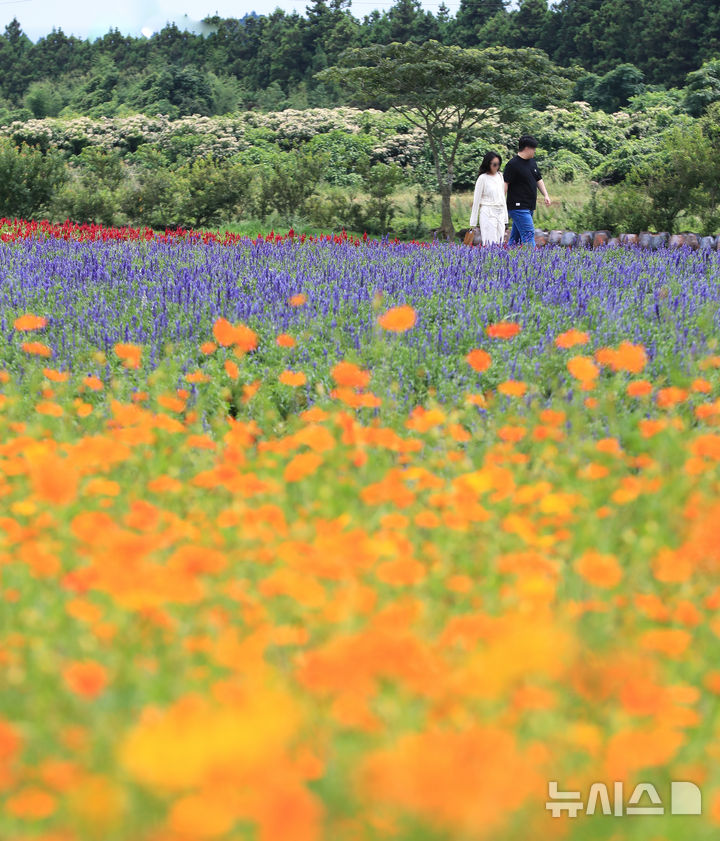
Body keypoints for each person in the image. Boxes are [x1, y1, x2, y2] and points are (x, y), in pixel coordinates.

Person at [503, 135, 551, 247]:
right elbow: (505, 184)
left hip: (529, 206)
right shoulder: (512, 164)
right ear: (527, 148)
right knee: (528, 233)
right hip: (517, 207)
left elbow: (538, 179)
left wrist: (546, 195)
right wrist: (501, 203)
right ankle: (533, 261)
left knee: (515, 238)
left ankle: (505, 259)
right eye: (533, 149)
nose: (534, 151)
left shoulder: (532, 162)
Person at [469, 151, 508, 246]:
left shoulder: (500, 176)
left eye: (498, 164)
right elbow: (476, 200)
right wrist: (473, 222)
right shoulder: (482, 178)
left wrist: (505, 218)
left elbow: (502, 197)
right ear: (488, 164)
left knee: (500, 242)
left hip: (500, 212)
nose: (497, 167)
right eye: (494, 164)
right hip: (488, 212)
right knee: (490, 243)